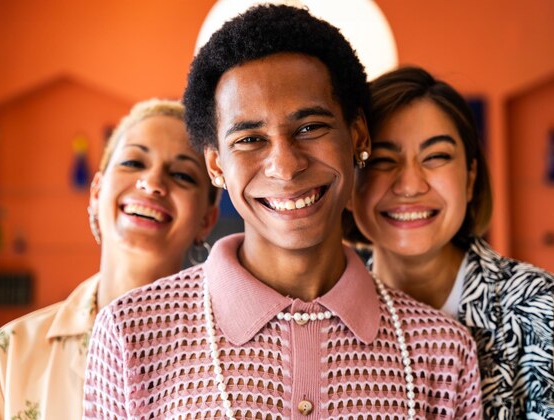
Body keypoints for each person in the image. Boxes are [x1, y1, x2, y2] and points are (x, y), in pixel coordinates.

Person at [84, 5, 483, 419]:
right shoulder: (130, 333)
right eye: (250, 138)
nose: (285, 166)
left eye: (310, 128)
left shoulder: (442, 351)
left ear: (358, 135)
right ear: (216, 165)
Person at [344, 65, 554, 418]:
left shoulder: (545, 312)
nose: (409, 185)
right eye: (381, 160)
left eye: (436, 157)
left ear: (470, 178)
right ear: (348, 184)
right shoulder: (330, 314)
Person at [0, 98, 220, 419]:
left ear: (207, 220)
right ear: (97, 193)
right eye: (133, 163)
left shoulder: (228, 359)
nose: (151, 183)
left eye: (182, 174)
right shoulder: (10, 354)